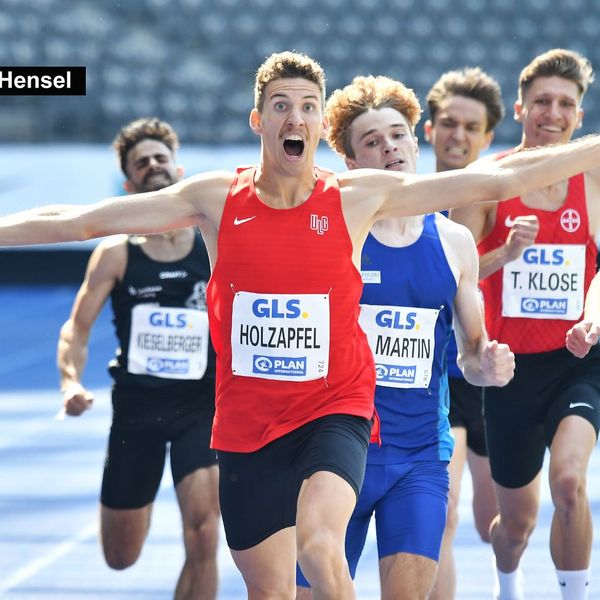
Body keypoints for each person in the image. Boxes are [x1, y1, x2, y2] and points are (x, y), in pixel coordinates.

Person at [2, 51, 600, 599]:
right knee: (272, 591)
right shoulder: (217, 197)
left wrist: (593, 147)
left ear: (318, 124)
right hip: (247, 423)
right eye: (281, 105)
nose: (297, 117)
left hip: (337, 411)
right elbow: (79, 222)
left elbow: (495, 181)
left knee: (319, 545)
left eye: (309, 106)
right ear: (258, 120)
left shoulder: (355, 198)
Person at [296, 74, 514, 600]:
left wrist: (488, 365)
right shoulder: (334, 236)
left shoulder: (455, 242)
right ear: (352, 164)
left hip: (418, 457)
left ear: (416, 143)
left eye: (397, 134)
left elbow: (470, 351)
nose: (389, 147)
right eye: (372, 141)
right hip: (336, 454)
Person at [451, 48, 600, 600]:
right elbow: (455, 278)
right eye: (542, 101)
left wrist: (591, 317)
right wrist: (503, 256)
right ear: (520, 108)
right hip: (508, 371)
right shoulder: (487, 179)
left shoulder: (593, 178)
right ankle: (507, 585)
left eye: (566, 104)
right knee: (514, 527)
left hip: (576, 360)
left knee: (570, 482)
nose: (552, 114)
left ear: (580, 117)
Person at [56, 117, 219, 600]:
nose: (153, 167)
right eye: (141, 163)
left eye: (160, 158)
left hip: (202, 406)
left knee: (205, 533)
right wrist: (70, 381)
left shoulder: (213, 245)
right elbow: (76, 329)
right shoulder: (115, 254)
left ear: (178, 169)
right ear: (129, 183)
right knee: (120, 555)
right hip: (138, 409)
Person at [423, 67, 506, 600]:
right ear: (428, 129)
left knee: (497, 522)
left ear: (489, 137)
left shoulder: (508, 197)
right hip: (436, 379)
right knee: (442, 516)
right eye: (447, 123)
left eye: (470, 127)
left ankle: (510, 583)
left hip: (494, 372)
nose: (457, 135)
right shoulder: (402, 197)